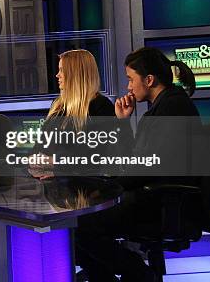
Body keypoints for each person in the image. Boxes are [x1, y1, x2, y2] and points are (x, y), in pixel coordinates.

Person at [75, 47, 200, 282]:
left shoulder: (173, 109)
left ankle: (139, 274)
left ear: (149, 79)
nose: (129, 87)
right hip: (150, 197)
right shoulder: (161, 108)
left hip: (161, 202)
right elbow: (132, 161)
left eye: (131, 79)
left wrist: (108, 188)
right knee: (80, 225)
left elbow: (148, 168)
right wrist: (123, 122)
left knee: (82, 227)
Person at [30, 49, 115, 177]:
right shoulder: (58, 105)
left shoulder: (101, 107)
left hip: (83, 185)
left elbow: (91, 156)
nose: (57, 75)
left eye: (62, 70)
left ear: (76, 74)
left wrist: (56, 165)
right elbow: (40, 145)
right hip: (50, 183)